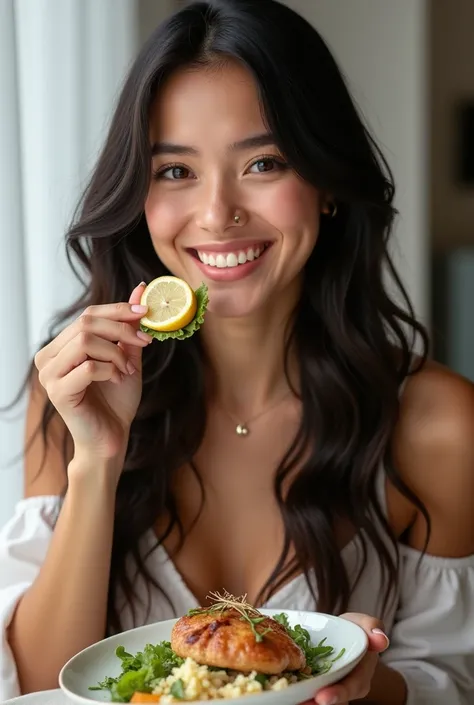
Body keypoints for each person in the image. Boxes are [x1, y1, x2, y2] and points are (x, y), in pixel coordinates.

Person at [0, 0, 473, 703]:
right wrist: (96, 459)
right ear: (138, 197)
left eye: (264, 161)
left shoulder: (439, 424)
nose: (218, 213)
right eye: (175, 171)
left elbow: (453, 682)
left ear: (327, 186)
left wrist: (366, 686)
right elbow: (42, 687)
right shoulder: (77, 389)